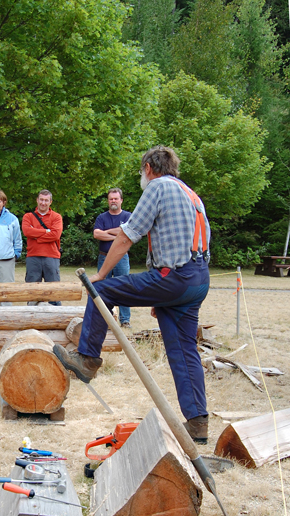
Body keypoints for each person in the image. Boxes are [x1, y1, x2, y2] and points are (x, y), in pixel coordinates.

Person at [54, 146, 211, 443]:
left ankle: (87, 360)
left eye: (142, 170)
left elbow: (127, 236)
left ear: (149, 168)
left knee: (100, 289)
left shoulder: (157, 187)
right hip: (197, 279)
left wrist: (100, 274)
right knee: (184, 352)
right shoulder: (191, 195)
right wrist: (164, 295)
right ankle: (198, 423)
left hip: (174, 278)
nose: (142, 176)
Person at [93, 188, 132, 327]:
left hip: (122, 258)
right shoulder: (102, 218)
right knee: (103, 287)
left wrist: (106, 232)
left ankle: (125, 320)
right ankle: (104, 318)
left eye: (116, 198)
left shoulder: (128, 216)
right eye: (111, 199)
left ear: (121, 200)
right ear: (108, 201)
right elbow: (97, 234)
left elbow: (128, 233)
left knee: (124, 287)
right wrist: (117, 235)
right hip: (104, 257)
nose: (113, 201)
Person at [22, 190, 63, 306]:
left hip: (52, 256)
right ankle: (32, 320)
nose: (43, 203)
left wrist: (37, 238)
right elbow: (27, 231)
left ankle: (56, 321)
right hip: (33, 257)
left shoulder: (57, 217)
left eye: (46, 200)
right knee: (32, 291)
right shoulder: (28, 216)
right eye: (41, 199)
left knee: (54, 291)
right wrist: (46, 231)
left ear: (50, 202)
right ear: (37, 200)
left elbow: (55, 235)